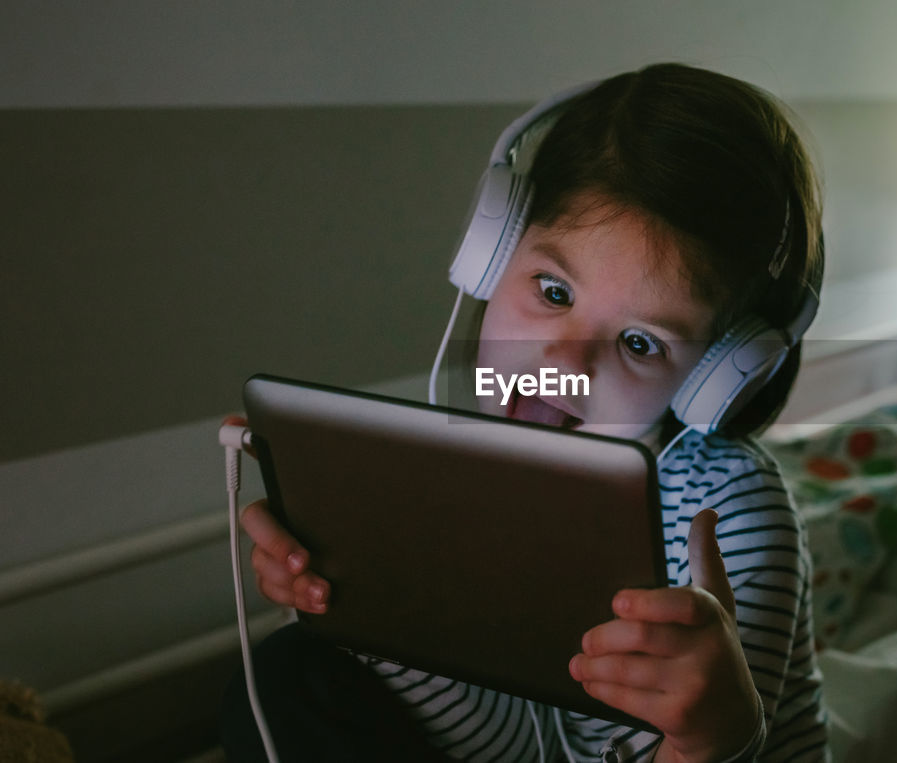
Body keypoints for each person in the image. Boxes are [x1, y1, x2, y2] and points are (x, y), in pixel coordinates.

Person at [222, 62, 828, 762]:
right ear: (490, 257)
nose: (564, 363)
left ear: (716, 375)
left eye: (639, 342)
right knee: (290, 672)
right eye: (553, 290)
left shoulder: (727, 514)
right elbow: (513, 743)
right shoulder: (458, 465)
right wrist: (350, 596)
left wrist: (711, 739)